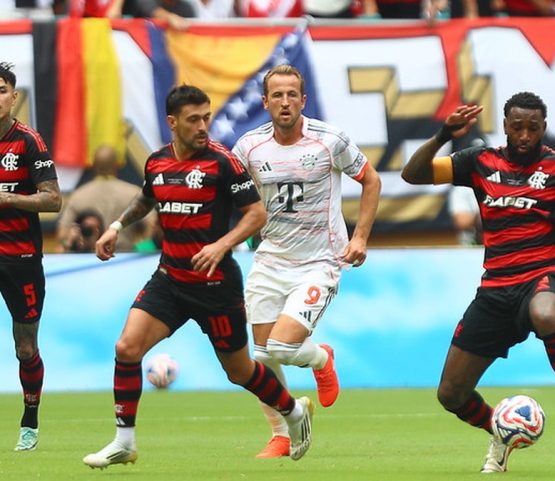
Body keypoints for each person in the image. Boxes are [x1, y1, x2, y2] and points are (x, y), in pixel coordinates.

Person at [401, 92, 555, 473]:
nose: (524, 135)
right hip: (494, 290)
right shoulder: (479, 162)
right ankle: (501, 433)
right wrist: (443, 135)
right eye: (516, 127)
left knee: (547, 314)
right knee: (451, 394)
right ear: (505, 126)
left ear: (543, 128)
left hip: (541, 277)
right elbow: (413, 174)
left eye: (532, 128)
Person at [82, 85, 315, 469]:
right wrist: (116, 225)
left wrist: (221, 245)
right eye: (194, 120)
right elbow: (147, 197)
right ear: (172, 123)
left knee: (240, 371)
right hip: (170, 280)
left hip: (216, 286)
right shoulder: (157, 162)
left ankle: (292, 412)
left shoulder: (222, 162)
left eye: (206, 117)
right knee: (126, 348)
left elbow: (256, 214)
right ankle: (124, 442)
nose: (203, 126)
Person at [231, 64, 381, 459]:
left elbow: (371, 179)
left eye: (291, 94)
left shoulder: (329, 140)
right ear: (265, 102)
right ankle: (282, 433)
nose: (284, 102)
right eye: (276, 95)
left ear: (303, 99)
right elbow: (231, 194)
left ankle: (320, 357)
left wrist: (361, 236)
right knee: (259, 357)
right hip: (270, 259)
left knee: (280, 346)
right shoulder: (248, 147)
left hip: (320, 261)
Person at [0, 62, 62, 452]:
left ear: (13, 97)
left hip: (19, 258)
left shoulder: (28, 142)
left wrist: (8, 198)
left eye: (1, 89)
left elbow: (54, 199)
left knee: (25, 347)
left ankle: (30, 422)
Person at [56, 144, 156, 253]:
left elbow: (62, 235)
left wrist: (71, 243)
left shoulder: (79, 196)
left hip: (90, 257)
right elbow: (152, 223)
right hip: (126, 257)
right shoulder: (133, 193)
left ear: (93, 165)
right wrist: (143, 248)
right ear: (117, 165)